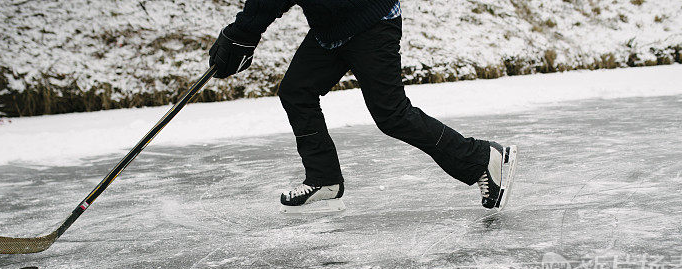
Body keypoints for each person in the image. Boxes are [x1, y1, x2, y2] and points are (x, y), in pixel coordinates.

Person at [209, 0, 517, 211]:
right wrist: (242, 36)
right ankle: (324, 179)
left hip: (370, 18)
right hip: (332, 28)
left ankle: (481, 157)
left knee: (392, 114)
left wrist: (242, 34)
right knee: (296, 91)